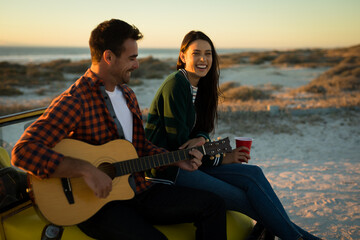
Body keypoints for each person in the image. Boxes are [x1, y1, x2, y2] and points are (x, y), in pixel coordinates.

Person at [11, 20, 227, 240]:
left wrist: (174, 159)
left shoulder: (128, 95)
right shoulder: (76, 100)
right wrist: (86, 170)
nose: (137, 64)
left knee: (213, 205)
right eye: (131, 58)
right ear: (108, 57)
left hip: (138, 190)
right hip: (95, 205)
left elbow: (140, 149)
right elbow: (23, 151)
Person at [145, 30, 322, 240]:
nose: (203, 59)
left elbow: (202, 132)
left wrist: (204, 139)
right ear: (183, 56)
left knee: (254, 173)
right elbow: (183, 148)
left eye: (208, 53)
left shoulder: (199, 86)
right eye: (196, 53)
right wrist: (222, 156)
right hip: (169, 172)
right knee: (243, 198)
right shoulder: (176, 84)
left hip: (194, 164)